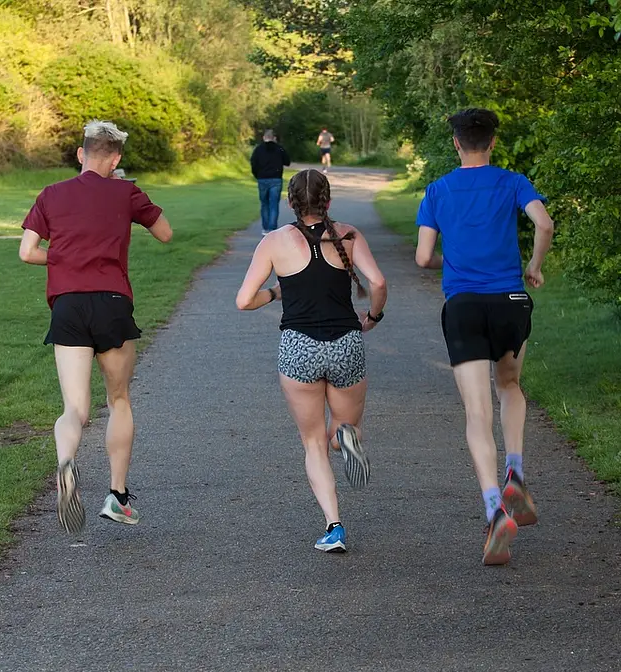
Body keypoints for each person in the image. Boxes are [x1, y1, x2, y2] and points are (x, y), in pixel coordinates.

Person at [414, 108, 555, 565]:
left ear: (456, 143)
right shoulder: (514, 182)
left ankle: (495, 509)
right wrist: (533, 266)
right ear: (492, 142)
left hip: (464, 306)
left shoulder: (437, 190)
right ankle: (516, 468)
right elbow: (545, 224)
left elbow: (422, 258)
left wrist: (452, 262)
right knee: (509, 386)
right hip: (511, 302)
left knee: (477, 413)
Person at [18, 120, 174, 534]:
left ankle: (67, 464)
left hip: (67, 306)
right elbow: (165, 233)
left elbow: (26, 252)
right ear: (117, 159)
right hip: (112, 304)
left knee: (75, 408)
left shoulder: (51, 194)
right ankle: (117, 497)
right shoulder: (126, 192)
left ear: (80, 154)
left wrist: (66, 259)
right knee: (118, 400)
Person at [235, 169, 387, 553]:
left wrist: (275, 293)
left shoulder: (273, 242)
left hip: (299, 347)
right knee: (341, 428)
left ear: (290, 203)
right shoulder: (349, 235)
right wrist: (372, 317)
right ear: (328, 201)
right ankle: (347, 436)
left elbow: (243, 300)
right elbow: (379, 284)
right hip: (346, 343)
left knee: (312, 442)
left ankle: (334, 526)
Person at [250, 129, 291, 233]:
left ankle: (265, 228)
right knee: (273, 204)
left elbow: (253, 163)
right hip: (276, 179)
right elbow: (287, 162)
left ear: (264, 138)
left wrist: (257, 175)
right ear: (274, 138)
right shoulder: (279, 148)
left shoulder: (258, 149)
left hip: (262, 179)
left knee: (264, 204)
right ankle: (272, 228)